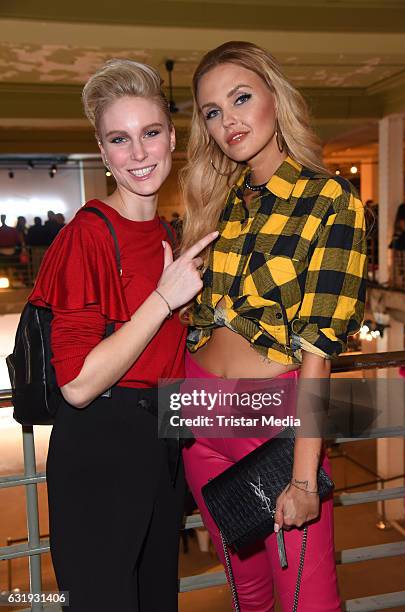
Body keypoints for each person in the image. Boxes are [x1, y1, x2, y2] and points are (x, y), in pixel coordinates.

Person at [180, 42, 367, 611]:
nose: (227, 120)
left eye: (240, 98)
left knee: (308, 599)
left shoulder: (330, 200)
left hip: (276, 419)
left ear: (274, 98)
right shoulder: (220, 201)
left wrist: (306, 479)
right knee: (247, 594)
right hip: (199, 413)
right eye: (212, 111)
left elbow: (319, 349)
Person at [28, 59, 217, 612]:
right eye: (120, 139)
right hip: (100, 446)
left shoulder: (167, 234)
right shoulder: (86, 236)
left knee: (156, 599)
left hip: (159, 441)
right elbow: (79, 385)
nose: (138, 154)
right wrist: (164, 298)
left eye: (150, 133)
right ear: (103, 150)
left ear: (172, 138)